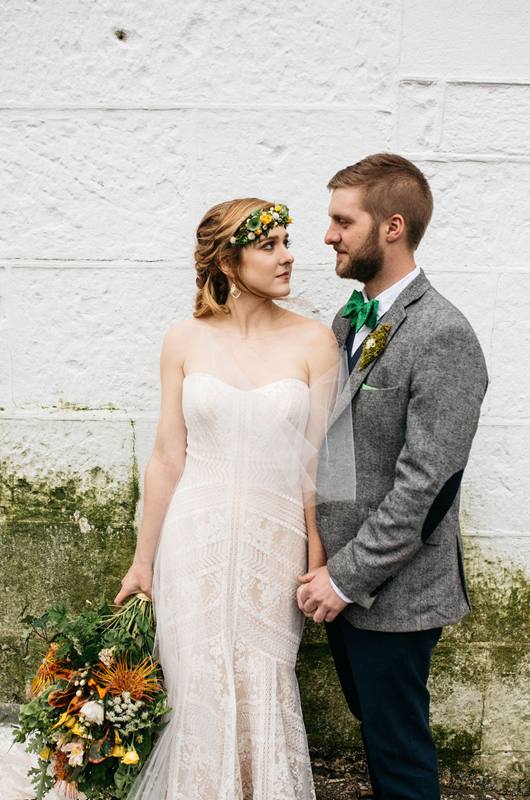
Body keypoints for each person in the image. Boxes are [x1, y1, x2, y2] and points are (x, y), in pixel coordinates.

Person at [115, 198, 348, 800]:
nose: (289, 255)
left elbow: (319, 468)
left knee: (264, 677)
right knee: (199, 685)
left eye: (286, 241)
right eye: (268, 245)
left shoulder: (315, 342)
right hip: (194, 535)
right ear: (227, 258)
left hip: (275, 545)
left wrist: (318, 560)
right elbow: (168, 456)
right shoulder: (183, 340)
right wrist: (143, 563)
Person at [297, 154, 488, 800]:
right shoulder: (350, 320)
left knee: (401, 757)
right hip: (341, 589)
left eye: (342, 221)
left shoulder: (443, 335)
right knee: (378, 741)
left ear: (393, 227)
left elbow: (426, 488)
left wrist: (345, 580)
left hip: (393, 595)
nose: (328, 235)